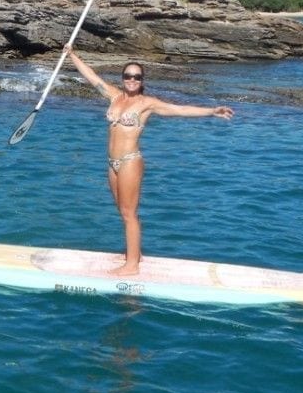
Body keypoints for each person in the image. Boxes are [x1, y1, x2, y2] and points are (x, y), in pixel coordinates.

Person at [64, 47, 234, 276]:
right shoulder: (114, 97)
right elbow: (92, 77)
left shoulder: (147, 103)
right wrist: (72, 55)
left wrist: (211, 111)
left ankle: (132, 265)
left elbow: (180, 109)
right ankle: (136, 254)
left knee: (129, 213)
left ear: (142, 80)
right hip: (112, 163)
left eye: (137, 77)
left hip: (129, 161)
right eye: (128, 76)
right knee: (121, 211)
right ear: (122, 78)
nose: (132, 80)